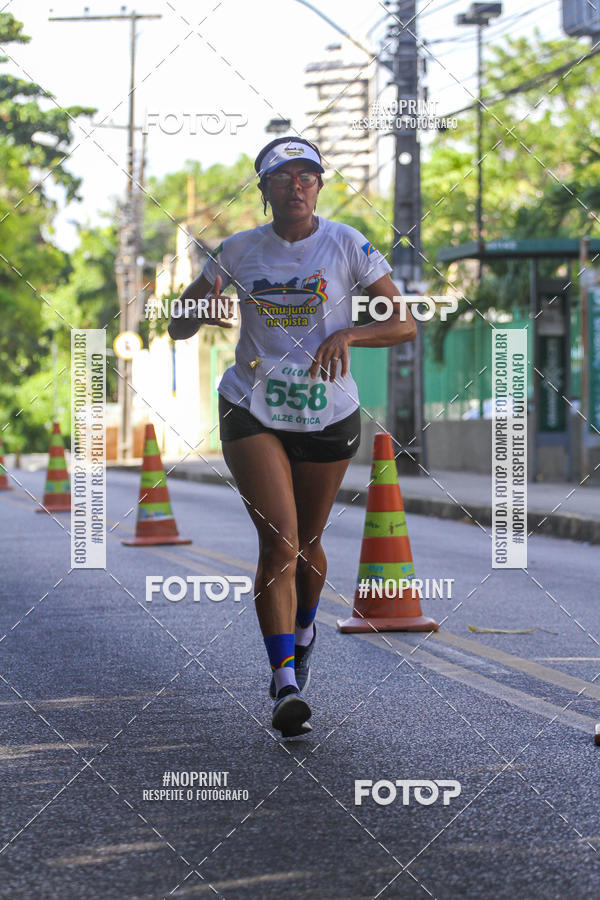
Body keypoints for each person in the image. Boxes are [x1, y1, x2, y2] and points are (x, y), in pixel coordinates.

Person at [169, 136, 416, 738]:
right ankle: (284, 681)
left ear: (319, 186)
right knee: (279, 539)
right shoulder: (237, 250)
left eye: (307, 176)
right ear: (265, 190)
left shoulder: (348, 243)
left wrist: (349, 335)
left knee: (307, 543)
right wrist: (200, 308)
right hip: (251, 406)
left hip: (327, 412)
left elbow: (404, 323)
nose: (297, 186)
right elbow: (177, 325)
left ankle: (304, 633)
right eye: (283, 177)